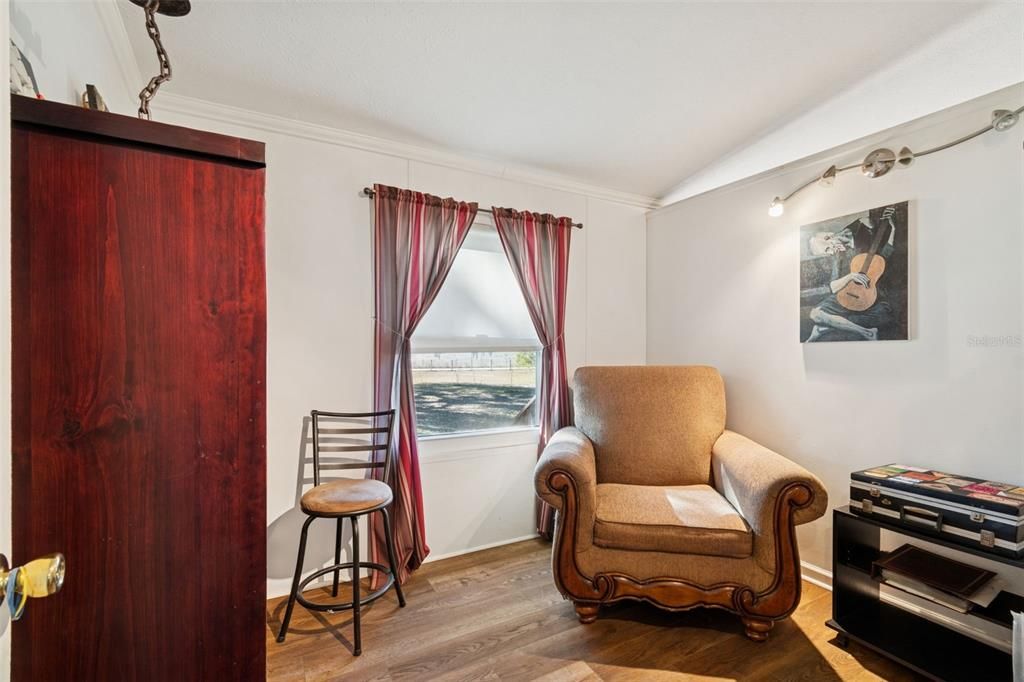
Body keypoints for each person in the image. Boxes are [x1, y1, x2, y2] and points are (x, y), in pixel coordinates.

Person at [805, 206, 898, 342]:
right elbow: (833, 287)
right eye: (827, 251)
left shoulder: (862, 229)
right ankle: (866, 332)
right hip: (845, 297)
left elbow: (884, 256)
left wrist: (893, 229)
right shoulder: (838, 255)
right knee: (815, 313)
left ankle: (826, 327)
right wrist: (850, 276)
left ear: (830, 237)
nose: (831, 251)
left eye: (828, 247)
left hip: (872, 298)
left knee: (879, 316)